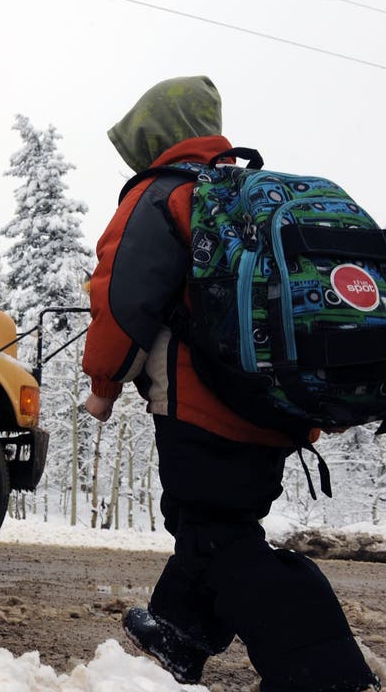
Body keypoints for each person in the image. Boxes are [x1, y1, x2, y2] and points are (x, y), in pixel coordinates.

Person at [83, 76, 379, 692]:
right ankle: (178, 633)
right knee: (219, 521)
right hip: (273, 406)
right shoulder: (241, 192)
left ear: (154, 135)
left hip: (202, 403)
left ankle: (326, 674)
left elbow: (122, 298)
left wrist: (104, 383)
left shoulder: (165, 193)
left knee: (214, 533)